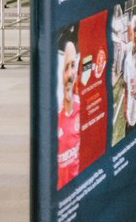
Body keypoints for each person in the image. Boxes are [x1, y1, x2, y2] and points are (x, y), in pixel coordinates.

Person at [57, 37, 81, 188]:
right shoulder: (53, 119)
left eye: (73, 66)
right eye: (66, 67)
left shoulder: (82, 109)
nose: (71, 73)